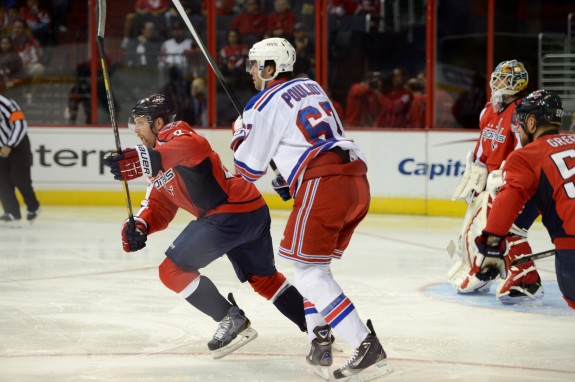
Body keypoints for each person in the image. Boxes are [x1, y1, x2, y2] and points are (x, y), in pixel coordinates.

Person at [230, 37, 389, 381]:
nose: (251, 73)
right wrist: (292, 176)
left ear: (270, 68)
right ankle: (320, 339)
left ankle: (364, 344)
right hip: (354, 178)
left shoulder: (262, 102)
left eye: (256, 65)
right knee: (315, 266)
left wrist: (240, 135)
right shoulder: (311, 85)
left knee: (307, 272)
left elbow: (247, 170)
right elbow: (311, 138)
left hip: (325, 183)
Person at [102, 94, 306, 358]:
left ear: (159, 122)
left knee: (171, 271)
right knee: (264, 280)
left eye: (141, 122)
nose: (136, 130)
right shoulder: (156, 163)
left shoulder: (175, 134)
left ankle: (230, 318)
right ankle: (318, 328)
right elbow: (159, 208)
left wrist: (145, 159)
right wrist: (140, 225)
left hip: (227, 213)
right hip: (249, 210)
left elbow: (192, 146)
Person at [449, 59, 543, 304]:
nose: (496, 82)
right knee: (475, 228)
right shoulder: (490, 108)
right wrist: (475, 172)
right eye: (496, 77)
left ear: (517, 84)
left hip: (507, 181)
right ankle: (488, 270)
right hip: (489, 181)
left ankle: (524, 279)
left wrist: (506, 178)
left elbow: (524, 151)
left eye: (503, 79)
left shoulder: (522, 112)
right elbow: (482, 144)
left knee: (505, 228)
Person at [474, 90, 575, 310]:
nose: (517, 129)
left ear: (531, 123)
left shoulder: (526, 156)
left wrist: (492, 247)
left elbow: (508, 200)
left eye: (520, 122)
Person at [0, 94, 40, 225]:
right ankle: (11, 212)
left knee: (19, 179)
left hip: (18, 145)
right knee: (2, 180)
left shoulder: (5, 102)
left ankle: (33, 207)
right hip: (1, 148)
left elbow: (20, 124)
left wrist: (9, 144)